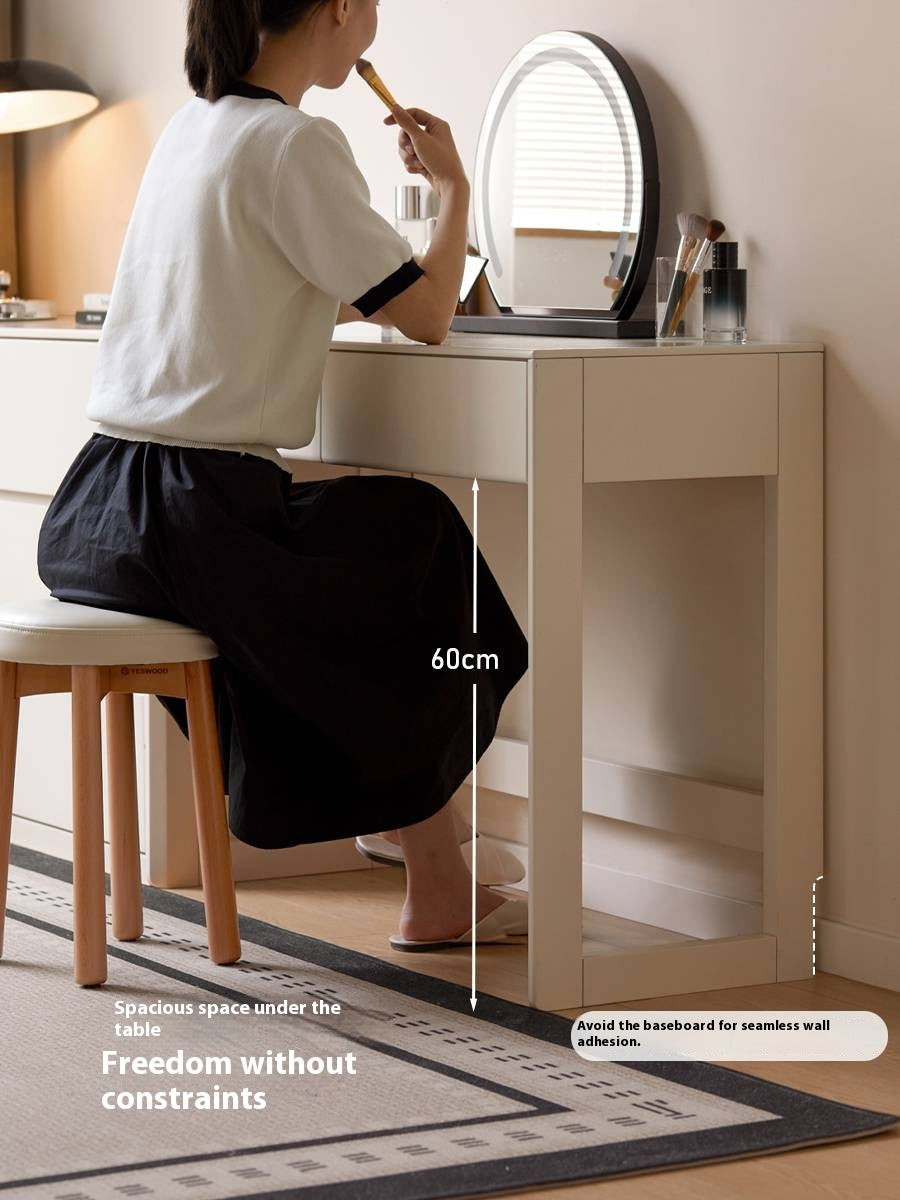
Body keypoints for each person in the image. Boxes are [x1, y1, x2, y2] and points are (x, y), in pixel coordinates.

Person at [36, 0, 529, 951]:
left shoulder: (195, 130)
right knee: (418, 537)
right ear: (341, 8)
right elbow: (428, 315)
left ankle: (428, 852)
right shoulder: (298, 143)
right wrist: (454, 188)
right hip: (195, 516)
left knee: (381, 551)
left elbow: (291, 286)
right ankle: (421, 840)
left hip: (100, 506)